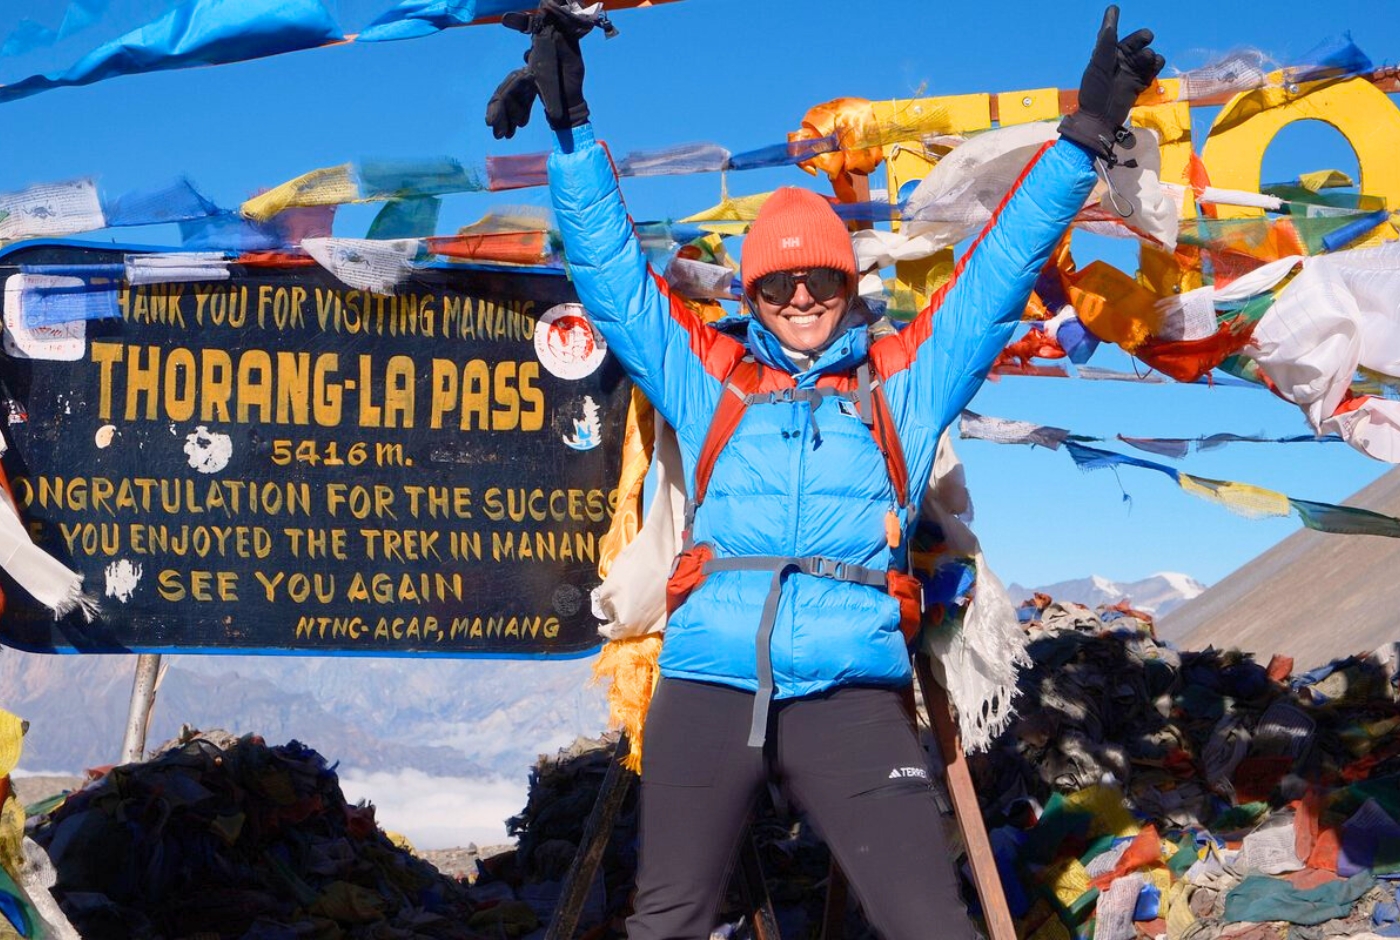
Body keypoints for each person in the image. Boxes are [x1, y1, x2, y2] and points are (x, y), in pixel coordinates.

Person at [488, 7, 1163, 938]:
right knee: (668, 920)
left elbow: (998, 271)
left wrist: (1083, 138)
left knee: (931, 923)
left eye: (820, 279)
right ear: (754, 292)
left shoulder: (903, 385)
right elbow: (611, 278)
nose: (799, 296)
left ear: (848, 285)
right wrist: (572, 137)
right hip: (707, 685)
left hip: (851, 699)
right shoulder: (712, 378)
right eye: (777, 282)